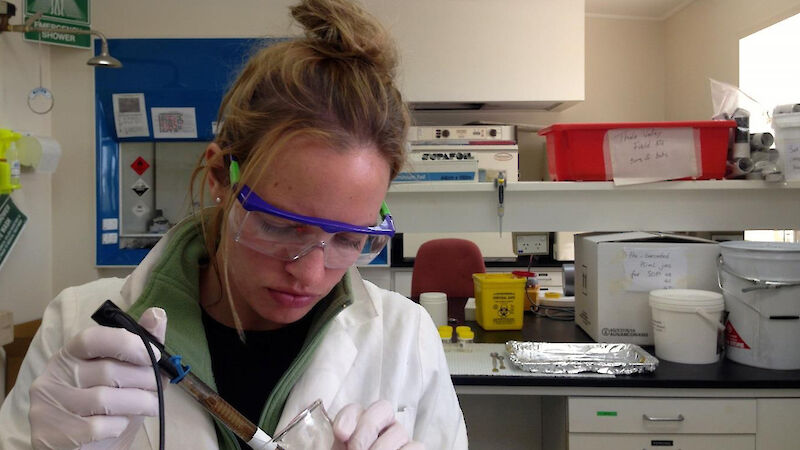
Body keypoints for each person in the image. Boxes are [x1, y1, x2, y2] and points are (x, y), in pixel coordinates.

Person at [0, 0, 468, 448]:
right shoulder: (76, 324)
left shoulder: (406, 336)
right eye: (282, 226)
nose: (308, 275)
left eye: (349, 238)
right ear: (223, 175)